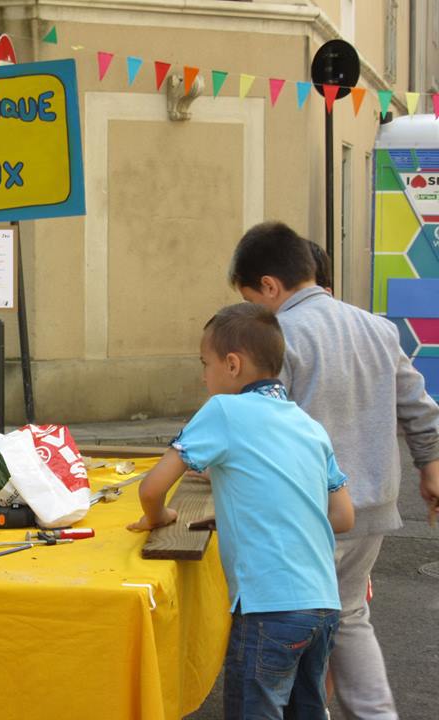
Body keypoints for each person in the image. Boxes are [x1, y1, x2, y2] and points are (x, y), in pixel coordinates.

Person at [230, 221, 439, 719]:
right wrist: (430, 467)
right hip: (372, 508)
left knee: (283, 624)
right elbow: (419, 406)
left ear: (270, 286)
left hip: (307, 511)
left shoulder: (277, 337)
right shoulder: (378, 327)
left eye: (253, 298)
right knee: (348, 615)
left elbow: (261, 420)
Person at [127, 302, 355, 718]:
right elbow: (343, 516)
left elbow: (152, 487)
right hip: (323, 604)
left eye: (205, 363)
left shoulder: (223, 412)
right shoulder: (309, 425)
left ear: (232, 364)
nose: (202, 375)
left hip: (268, 608)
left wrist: (158, 517)